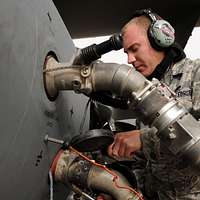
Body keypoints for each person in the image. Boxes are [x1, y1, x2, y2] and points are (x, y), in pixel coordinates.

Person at [97, 8, 200, 200]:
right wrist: (118, 188)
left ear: (160, 39)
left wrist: (145, 139)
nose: (130, 60)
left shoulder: (196, 72)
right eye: (126, 52)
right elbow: (148, 167)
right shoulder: (143, 93)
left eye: (134, 49)